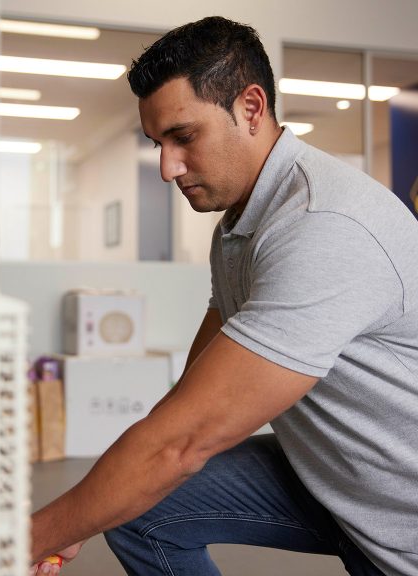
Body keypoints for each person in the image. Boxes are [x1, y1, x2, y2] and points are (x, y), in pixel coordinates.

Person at [29, 16, 418, 576]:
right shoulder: (239, 226)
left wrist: (25, 540)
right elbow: (189, 403)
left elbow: (184, 442)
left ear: (252, 108)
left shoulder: (323, 225)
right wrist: (87, 513)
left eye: (184, 137)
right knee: (143, 505)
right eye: (158, 144)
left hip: (401, 516)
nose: (167, 168)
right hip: (335, 476)